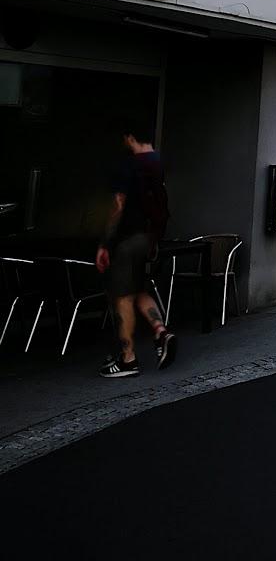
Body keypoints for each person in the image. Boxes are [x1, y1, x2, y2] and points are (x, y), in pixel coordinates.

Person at [95, 125, 176, 377]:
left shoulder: (128, 166)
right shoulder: (157, 164)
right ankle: (161, 332)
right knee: (138, 289)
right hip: (149, 239)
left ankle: (128, 359)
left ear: (129, 137)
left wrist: (105, 243)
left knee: (122, 298)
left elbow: (119, 206)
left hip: (128, 240)